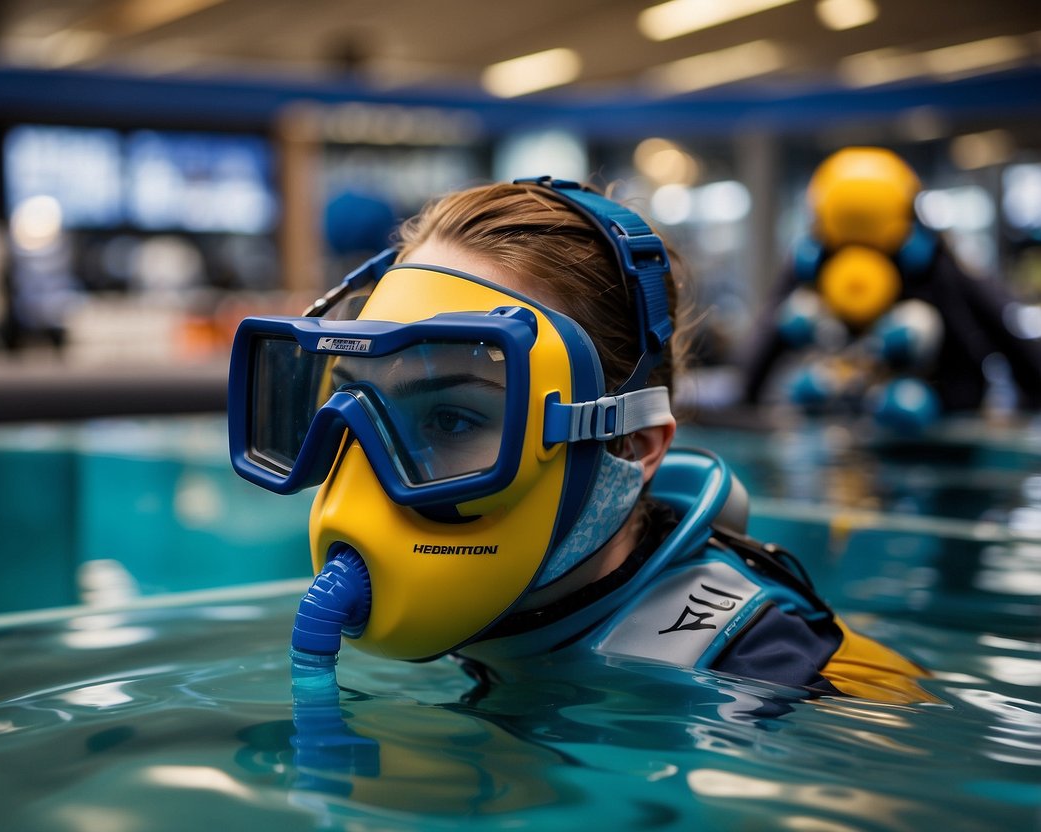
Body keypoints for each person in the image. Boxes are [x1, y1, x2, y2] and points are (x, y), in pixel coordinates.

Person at [227, 177, 928, 703]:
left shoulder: (789, 688)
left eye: (451, 419)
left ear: (634, 447)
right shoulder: (495, 622)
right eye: (353, 403)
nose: (369, 474)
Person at [741, 147, 1041, 425]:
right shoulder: (814, 265)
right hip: (848, 409)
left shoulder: (930, 265)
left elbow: (996, 324)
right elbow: (768, 337)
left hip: (929, 409)